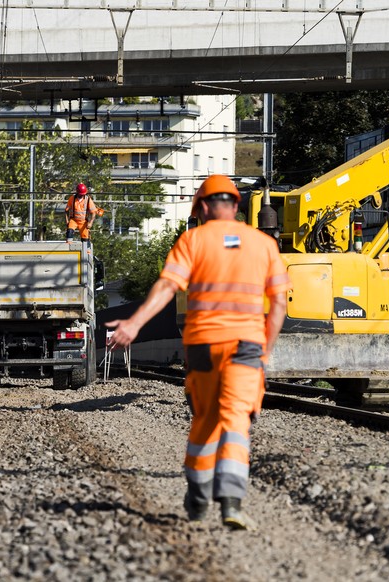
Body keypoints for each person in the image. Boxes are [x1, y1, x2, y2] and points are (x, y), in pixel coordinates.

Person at [106, 174, 290, 531]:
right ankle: (232, 500)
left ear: (203, 207)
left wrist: (134, 323)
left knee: (205, 420)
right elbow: (280, 304)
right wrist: (264, 351)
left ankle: (198, 495)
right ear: (237, 206)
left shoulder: (192, 240)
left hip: (202, 345)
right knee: (236, 419)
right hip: (247, 346)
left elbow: (166, 287)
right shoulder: (263, 244)